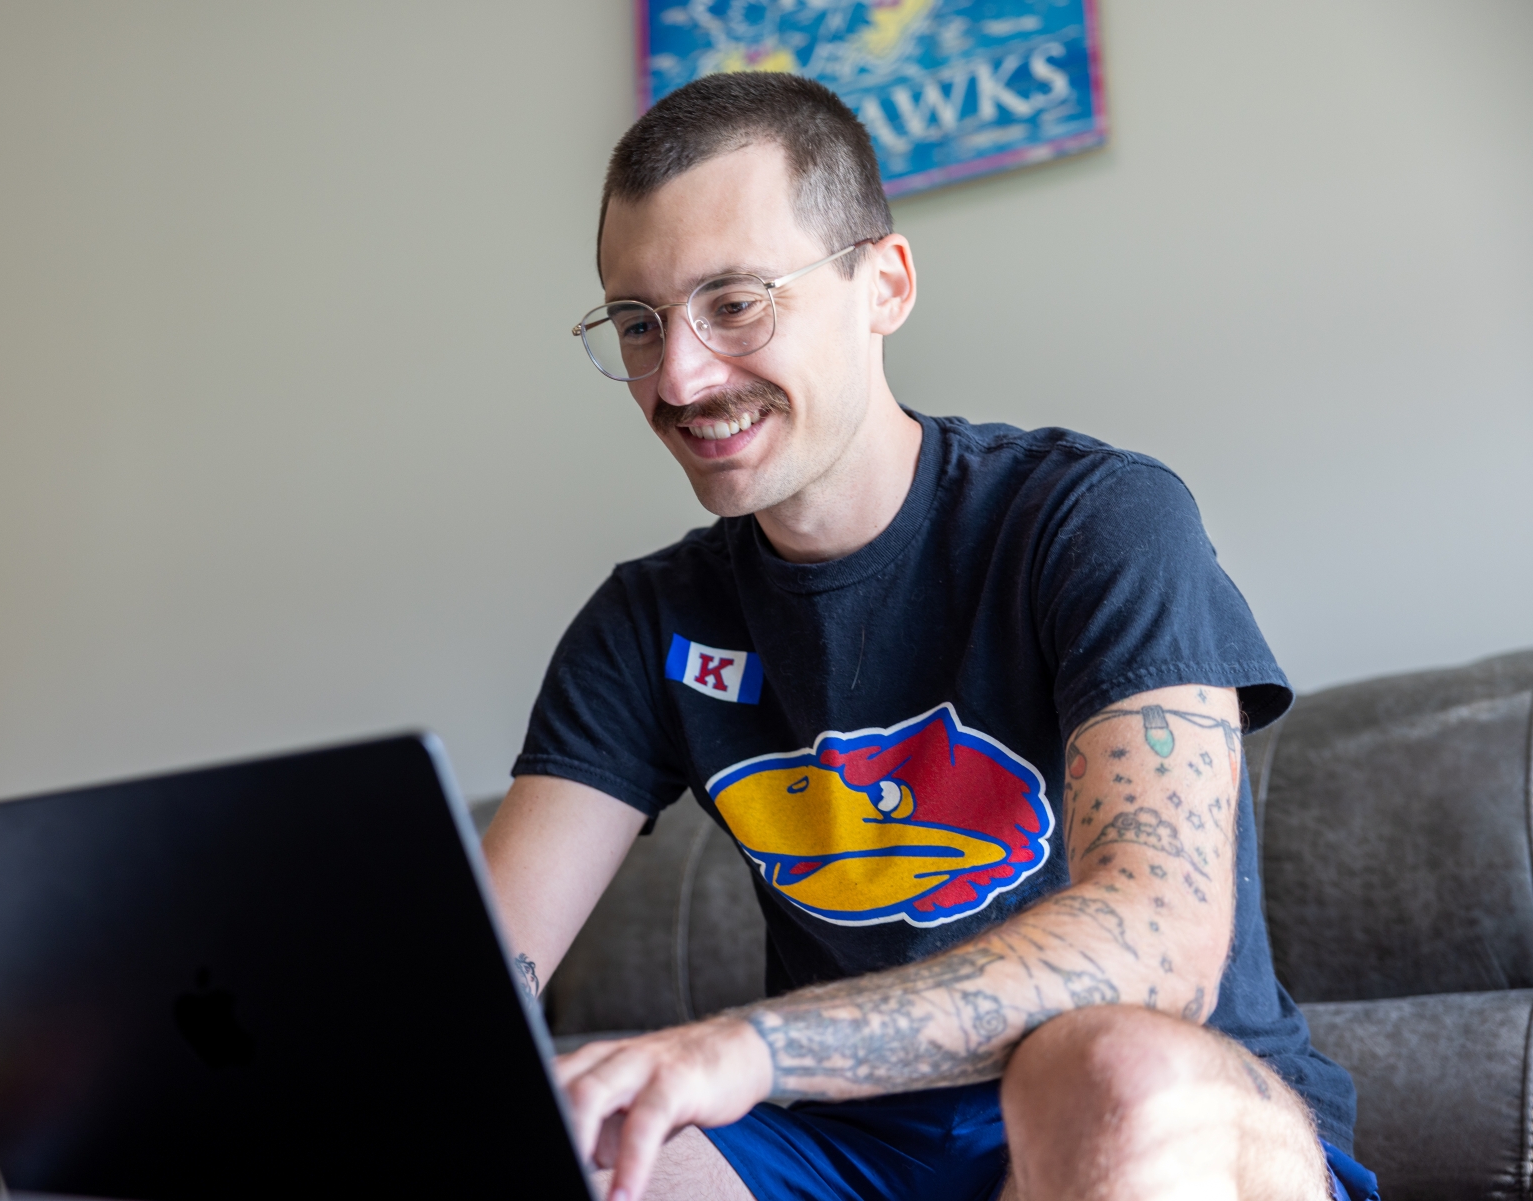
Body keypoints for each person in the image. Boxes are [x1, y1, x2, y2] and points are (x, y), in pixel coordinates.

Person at [483, 72, 1376, 1201]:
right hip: (852, 1150)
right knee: (608, 1154)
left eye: (737, 302)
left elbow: (1162, 940)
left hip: (1157, 1124)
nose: (682, 375)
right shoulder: (647, 624)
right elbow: (477, 984)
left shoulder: (1091, 520)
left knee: (1115, 1067)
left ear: (884, 284)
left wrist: (748, 1045)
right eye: (639, 323)